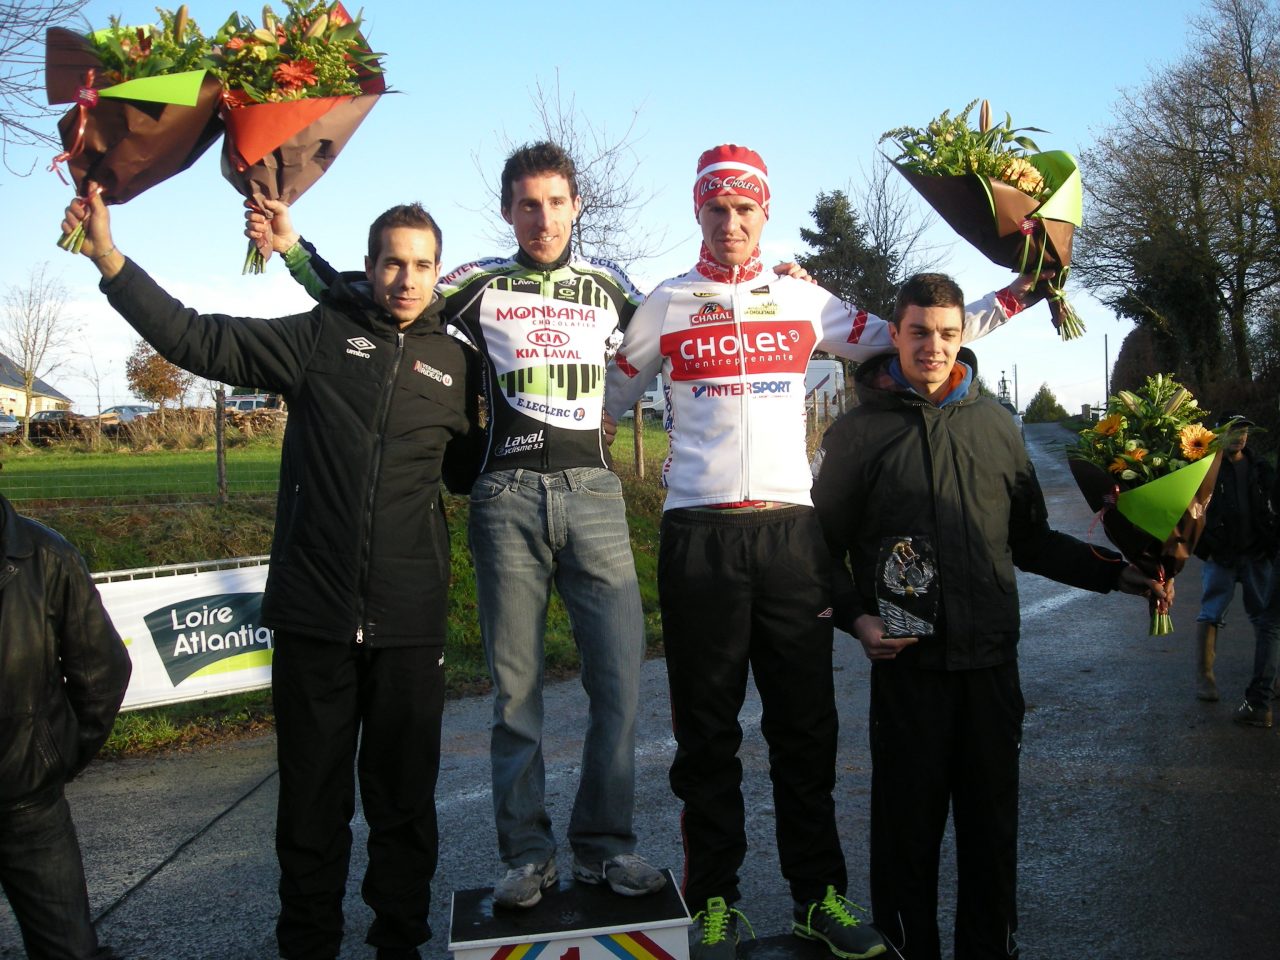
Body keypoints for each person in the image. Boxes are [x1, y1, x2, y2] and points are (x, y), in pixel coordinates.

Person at [603, 145, 1042, 960]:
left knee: (805, 729)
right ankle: (716, 904)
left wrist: (1024, 290)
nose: (731, 224)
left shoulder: (804, 298)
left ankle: (818, 900)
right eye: (715, 210)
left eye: (745, 209)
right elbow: (604, 393)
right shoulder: (666, 302)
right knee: (708, 737)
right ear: (696, 214)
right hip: (697, 534)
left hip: (789, 535)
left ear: (764, 213)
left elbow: (921, 326)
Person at [245, 142, 694, 909]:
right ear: (507, 210)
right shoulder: (476, 283)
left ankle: (604, 848)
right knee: (515, 694)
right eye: (527, 204)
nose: (542, 218)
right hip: (506, 497)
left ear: (576, 206)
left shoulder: (612, 286)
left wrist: (770, 280)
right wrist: (293, 251)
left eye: (556, 202)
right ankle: (528, 855)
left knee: (618, 687)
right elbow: (373, 292)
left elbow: (688, 312)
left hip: (593, 496)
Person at [62, 188, 483, 960]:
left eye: (422, 264)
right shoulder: (320, 337)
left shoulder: (457, 363)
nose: (406, 278)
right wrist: (109, 260)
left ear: (437, 274)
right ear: (368, 266)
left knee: (403, 809)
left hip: (410, 626)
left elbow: (465, 471)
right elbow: (197, 339)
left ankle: (400, 942)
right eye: (393, 261)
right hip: (313, 619)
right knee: (311, 807)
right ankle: (307, 943)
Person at [810, 273, 1167, 960]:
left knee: (991, 839)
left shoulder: (998, 426)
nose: (934, 347)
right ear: (897, 333)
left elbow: (1030, 541)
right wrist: (856, 619)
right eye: (919, 332)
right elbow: (817, 548)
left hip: (992, 672)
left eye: (947, 333)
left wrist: (1125, 575)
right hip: (909, 671)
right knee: (905, 843)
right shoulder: (857, 433)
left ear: (961, 336)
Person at [0, 489, 131, 960]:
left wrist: (52, 756)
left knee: (68, 949)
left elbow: (102, 672)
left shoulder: (49, 557)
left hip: (28, 804)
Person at [1192, 412, 1277, 726]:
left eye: (1244, 431)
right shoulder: (1207, 469)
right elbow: (1193, 511)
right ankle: (1205, 679)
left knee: (1265, 619)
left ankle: (1269, 680)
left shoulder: (1261, 467)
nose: (1240, 436)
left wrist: (1269, 543)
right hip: (1222, 557)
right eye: (1233, 431)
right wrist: (1207, 548)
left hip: (1256, 555)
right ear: (1219, 435)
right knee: (1211, 612)